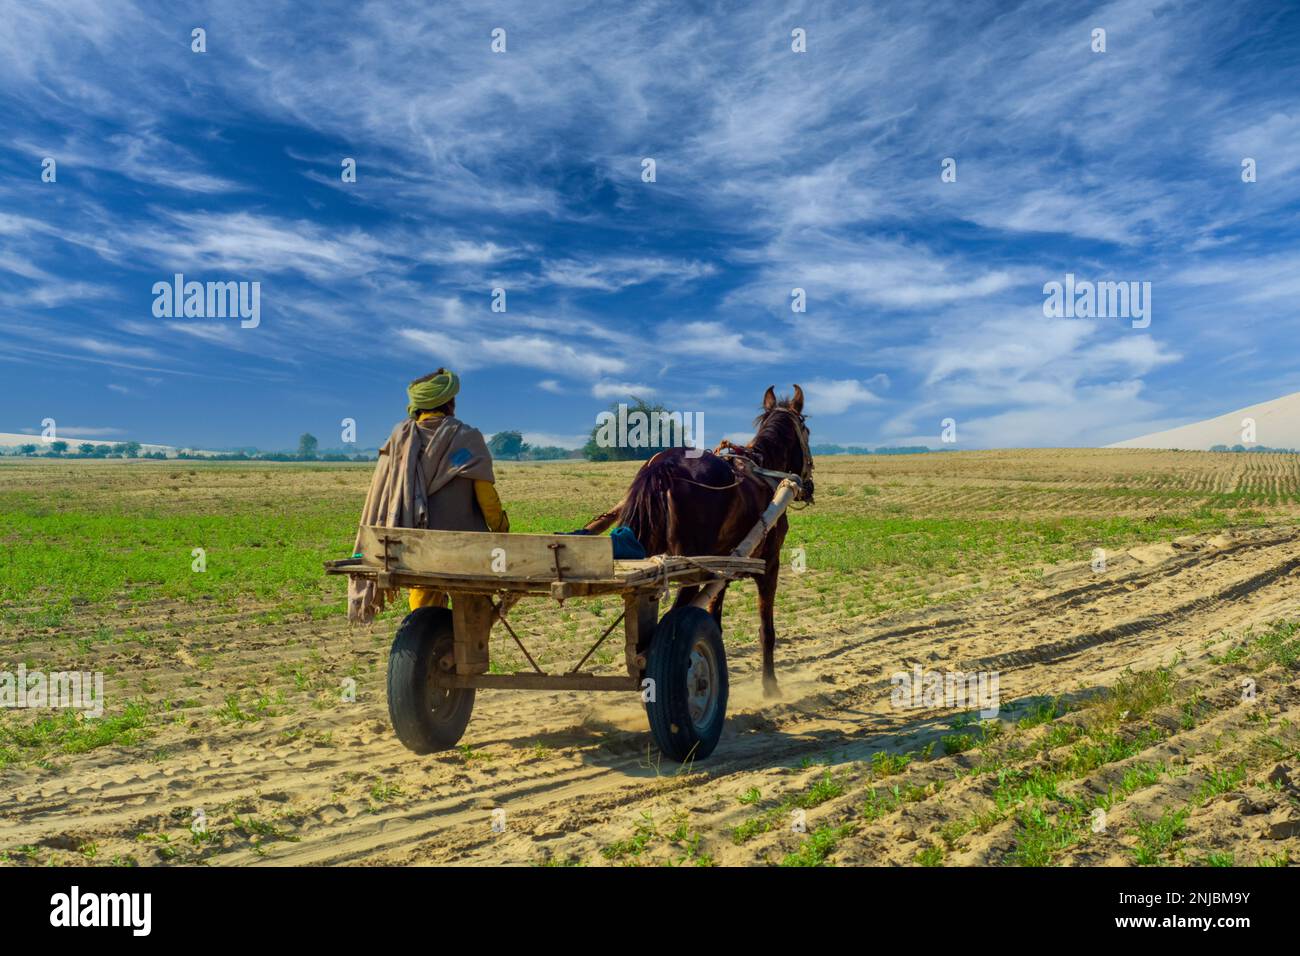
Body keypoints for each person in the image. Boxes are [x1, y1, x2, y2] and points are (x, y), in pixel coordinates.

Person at [347, 368, 508, 623]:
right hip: (464, 550)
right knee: (473, 610)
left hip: (414, 547)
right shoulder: (466, 438)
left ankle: (425, 637)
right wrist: (501, 526)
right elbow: (485, 495)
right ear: (450, 403)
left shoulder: (398, 439)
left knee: (423, 608)